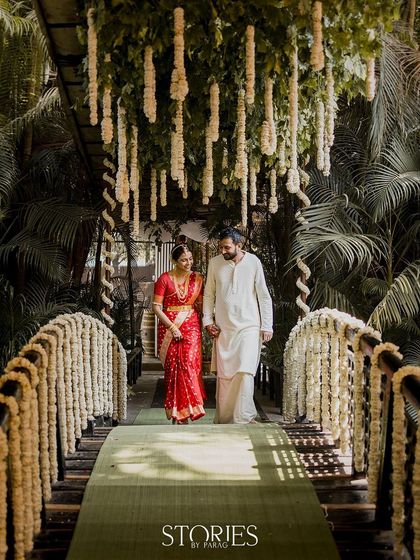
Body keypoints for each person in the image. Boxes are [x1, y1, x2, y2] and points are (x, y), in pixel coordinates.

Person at [203, 227, 273, 424]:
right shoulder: (215, 263)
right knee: (226, 376)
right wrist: (208, 321)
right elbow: (209, 294)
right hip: (225, 328)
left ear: (239, 246)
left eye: (227, 248)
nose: (223, 251)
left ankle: (245, 417)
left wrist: (267, 325)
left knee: (245, 370)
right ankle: (226, 418)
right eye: (221, 248)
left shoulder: (253, 262)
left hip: (250, 326)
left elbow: (263, 296)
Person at [152, 244, 206, 424]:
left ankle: (189, 409)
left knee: (188, 364)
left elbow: (200, 304)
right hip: (169, 326)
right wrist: (172, 328)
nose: (188, 263)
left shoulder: (198, 279)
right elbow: (156, 307)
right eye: (183, 259)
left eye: (190, 259)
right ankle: (176, 411)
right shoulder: (164, 279)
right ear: (174, 261)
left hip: (191, 324)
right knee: (173, 367)